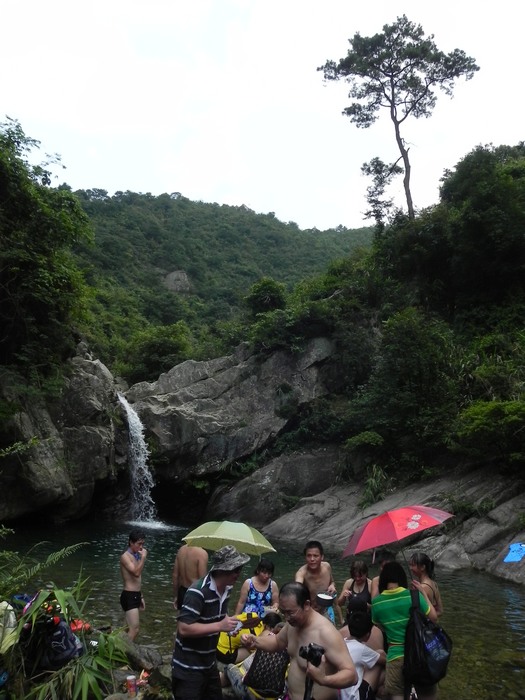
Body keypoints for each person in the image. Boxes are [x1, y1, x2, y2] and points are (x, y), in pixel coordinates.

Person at [241, 581, 357, 700]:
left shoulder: (326, 633)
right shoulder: (292, 624)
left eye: (290, 612)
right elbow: (277, 642)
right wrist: (255, 641)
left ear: (306, 605)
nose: (286, 618)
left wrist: (324, 679)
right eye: (283, 612)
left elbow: (352, 675)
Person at [171, 544, 250, 699]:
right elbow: (184, 628)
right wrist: (220, 626)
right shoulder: (197, 592)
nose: (239, 574)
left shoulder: (227, 589)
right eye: (236, 570)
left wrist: (233, 625)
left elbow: (220, 618)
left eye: (240, 569)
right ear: (223, 570)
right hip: (189, 668)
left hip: (209, 664)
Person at [371, 561, 438, 700]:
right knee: (427, 695)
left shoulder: (377, 604)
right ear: (401, 577)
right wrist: (422, 594)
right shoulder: (414, 596)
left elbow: (380, 626)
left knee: (397, 695)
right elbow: (433, 618)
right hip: (420, 654)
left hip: (395, 656)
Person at [340, 608, 386, 700]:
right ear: (368, 634)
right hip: (355, 697)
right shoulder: (361, 649)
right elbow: (385, 660)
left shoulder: (342, 643)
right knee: (380, 661)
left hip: (340, 692)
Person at [295, 540, 338, 623]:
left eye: (315, 556)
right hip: (310, 612)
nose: (312, 559)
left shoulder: (327, 567)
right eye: (309, 556)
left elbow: (332, 581)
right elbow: (296, 589)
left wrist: (332, 586)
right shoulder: (301, 573)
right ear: (305, 557)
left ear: (322, 557)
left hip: (326, 610)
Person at [119, 529, 147, 641]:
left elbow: (137, 580)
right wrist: (143, 558)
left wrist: (141, 595)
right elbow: (136, 573)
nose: (141, 547)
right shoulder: (125, 556)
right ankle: (126, 650)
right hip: (129, 595)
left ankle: (116, 648)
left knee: (126, 628)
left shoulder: (136, 555)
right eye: (139, 544)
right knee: (134, 629)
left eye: (142, 544)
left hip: (135, 594)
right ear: (131, 542)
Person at [172, 543, 209, 610]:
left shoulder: (181, 550)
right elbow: (202, 580)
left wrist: (176, 596)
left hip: (182, 591)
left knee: (182, 616)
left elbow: (175, 575)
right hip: (194, 593)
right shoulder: (202, 553)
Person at [409, 552, 444, 616]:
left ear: (423, 567)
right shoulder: (434, 583)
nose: (410, 568)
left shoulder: (422, 588)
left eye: (413, 565)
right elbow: (440, 611)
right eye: (410, 565)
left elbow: (416, 612)